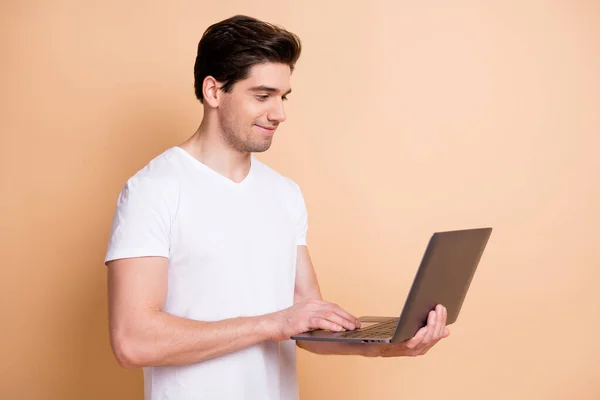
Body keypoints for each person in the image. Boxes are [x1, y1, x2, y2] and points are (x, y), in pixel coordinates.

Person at [104, 14, 450, 400]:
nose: (279, 113)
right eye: (262, 95)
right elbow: (133, 341)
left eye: (282, 97)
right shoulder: (153, 190)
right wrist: (273, 323)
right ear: (214, 92)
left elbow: (305, 324)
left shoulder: (284, 193)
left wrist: (392, 344)